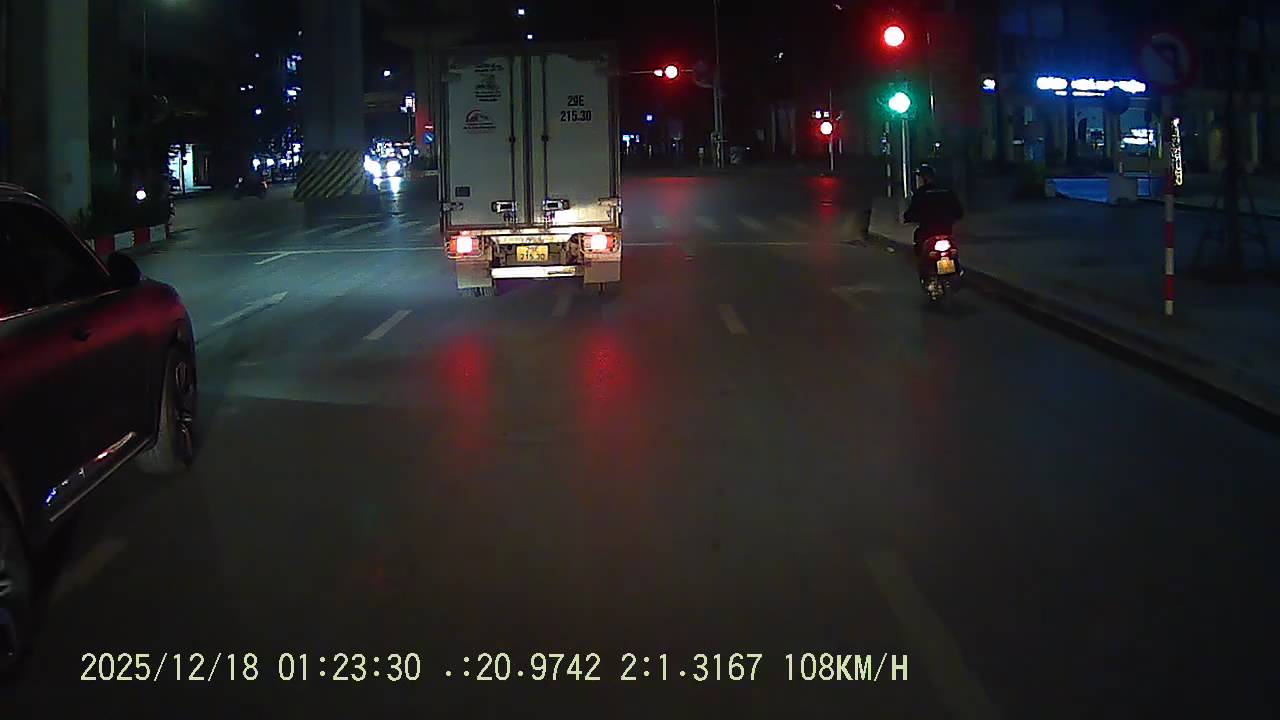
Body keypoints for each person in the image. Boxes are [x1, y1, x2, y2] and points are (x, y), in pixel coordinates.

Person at [902, 164, 963, 274]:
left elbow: (912, 211)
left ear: (924, 178)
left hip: (928, 231)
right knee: (952, 248)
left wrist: (908, 217)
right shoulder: (947, 190)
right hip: (946, 229)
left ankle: (924, 270)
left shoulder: (921, 193)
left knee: (919, 244)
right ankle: (957, 268)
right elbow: (958, 210)